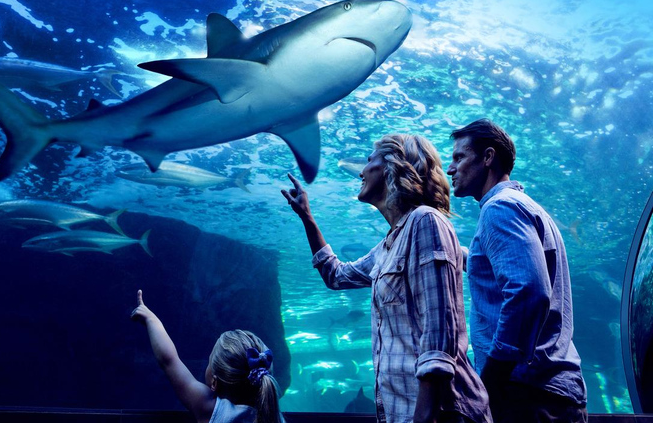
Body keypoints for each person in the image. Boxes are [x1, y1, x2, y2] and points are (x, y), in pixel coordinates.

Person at [282, 133, 491, 423]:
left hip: (440, 415)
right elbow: (336, 275)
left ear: (392, 167)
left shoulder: (425, 222)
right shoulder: (389, 245)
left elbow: (440, 332)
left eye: (369, 161)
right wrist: (307, 217)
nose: (362, 171)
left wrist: (423, 417)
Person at [447, 119, 588, 422]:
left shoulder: (500, 208)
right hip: (548, 390)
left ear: (488, 157)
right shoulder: (526, 207)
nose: (450, 169)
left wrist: (491, 380)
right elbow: (510, 273)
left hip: (527, 392)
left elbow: (529, 292)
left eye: (459, 157)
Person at [131, 289, 284, 423]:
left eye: (210, 361)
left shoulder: (211, 409)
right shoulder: (274, 415)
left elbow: (169, 360)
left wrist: (151, 319)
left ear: (214, 383)